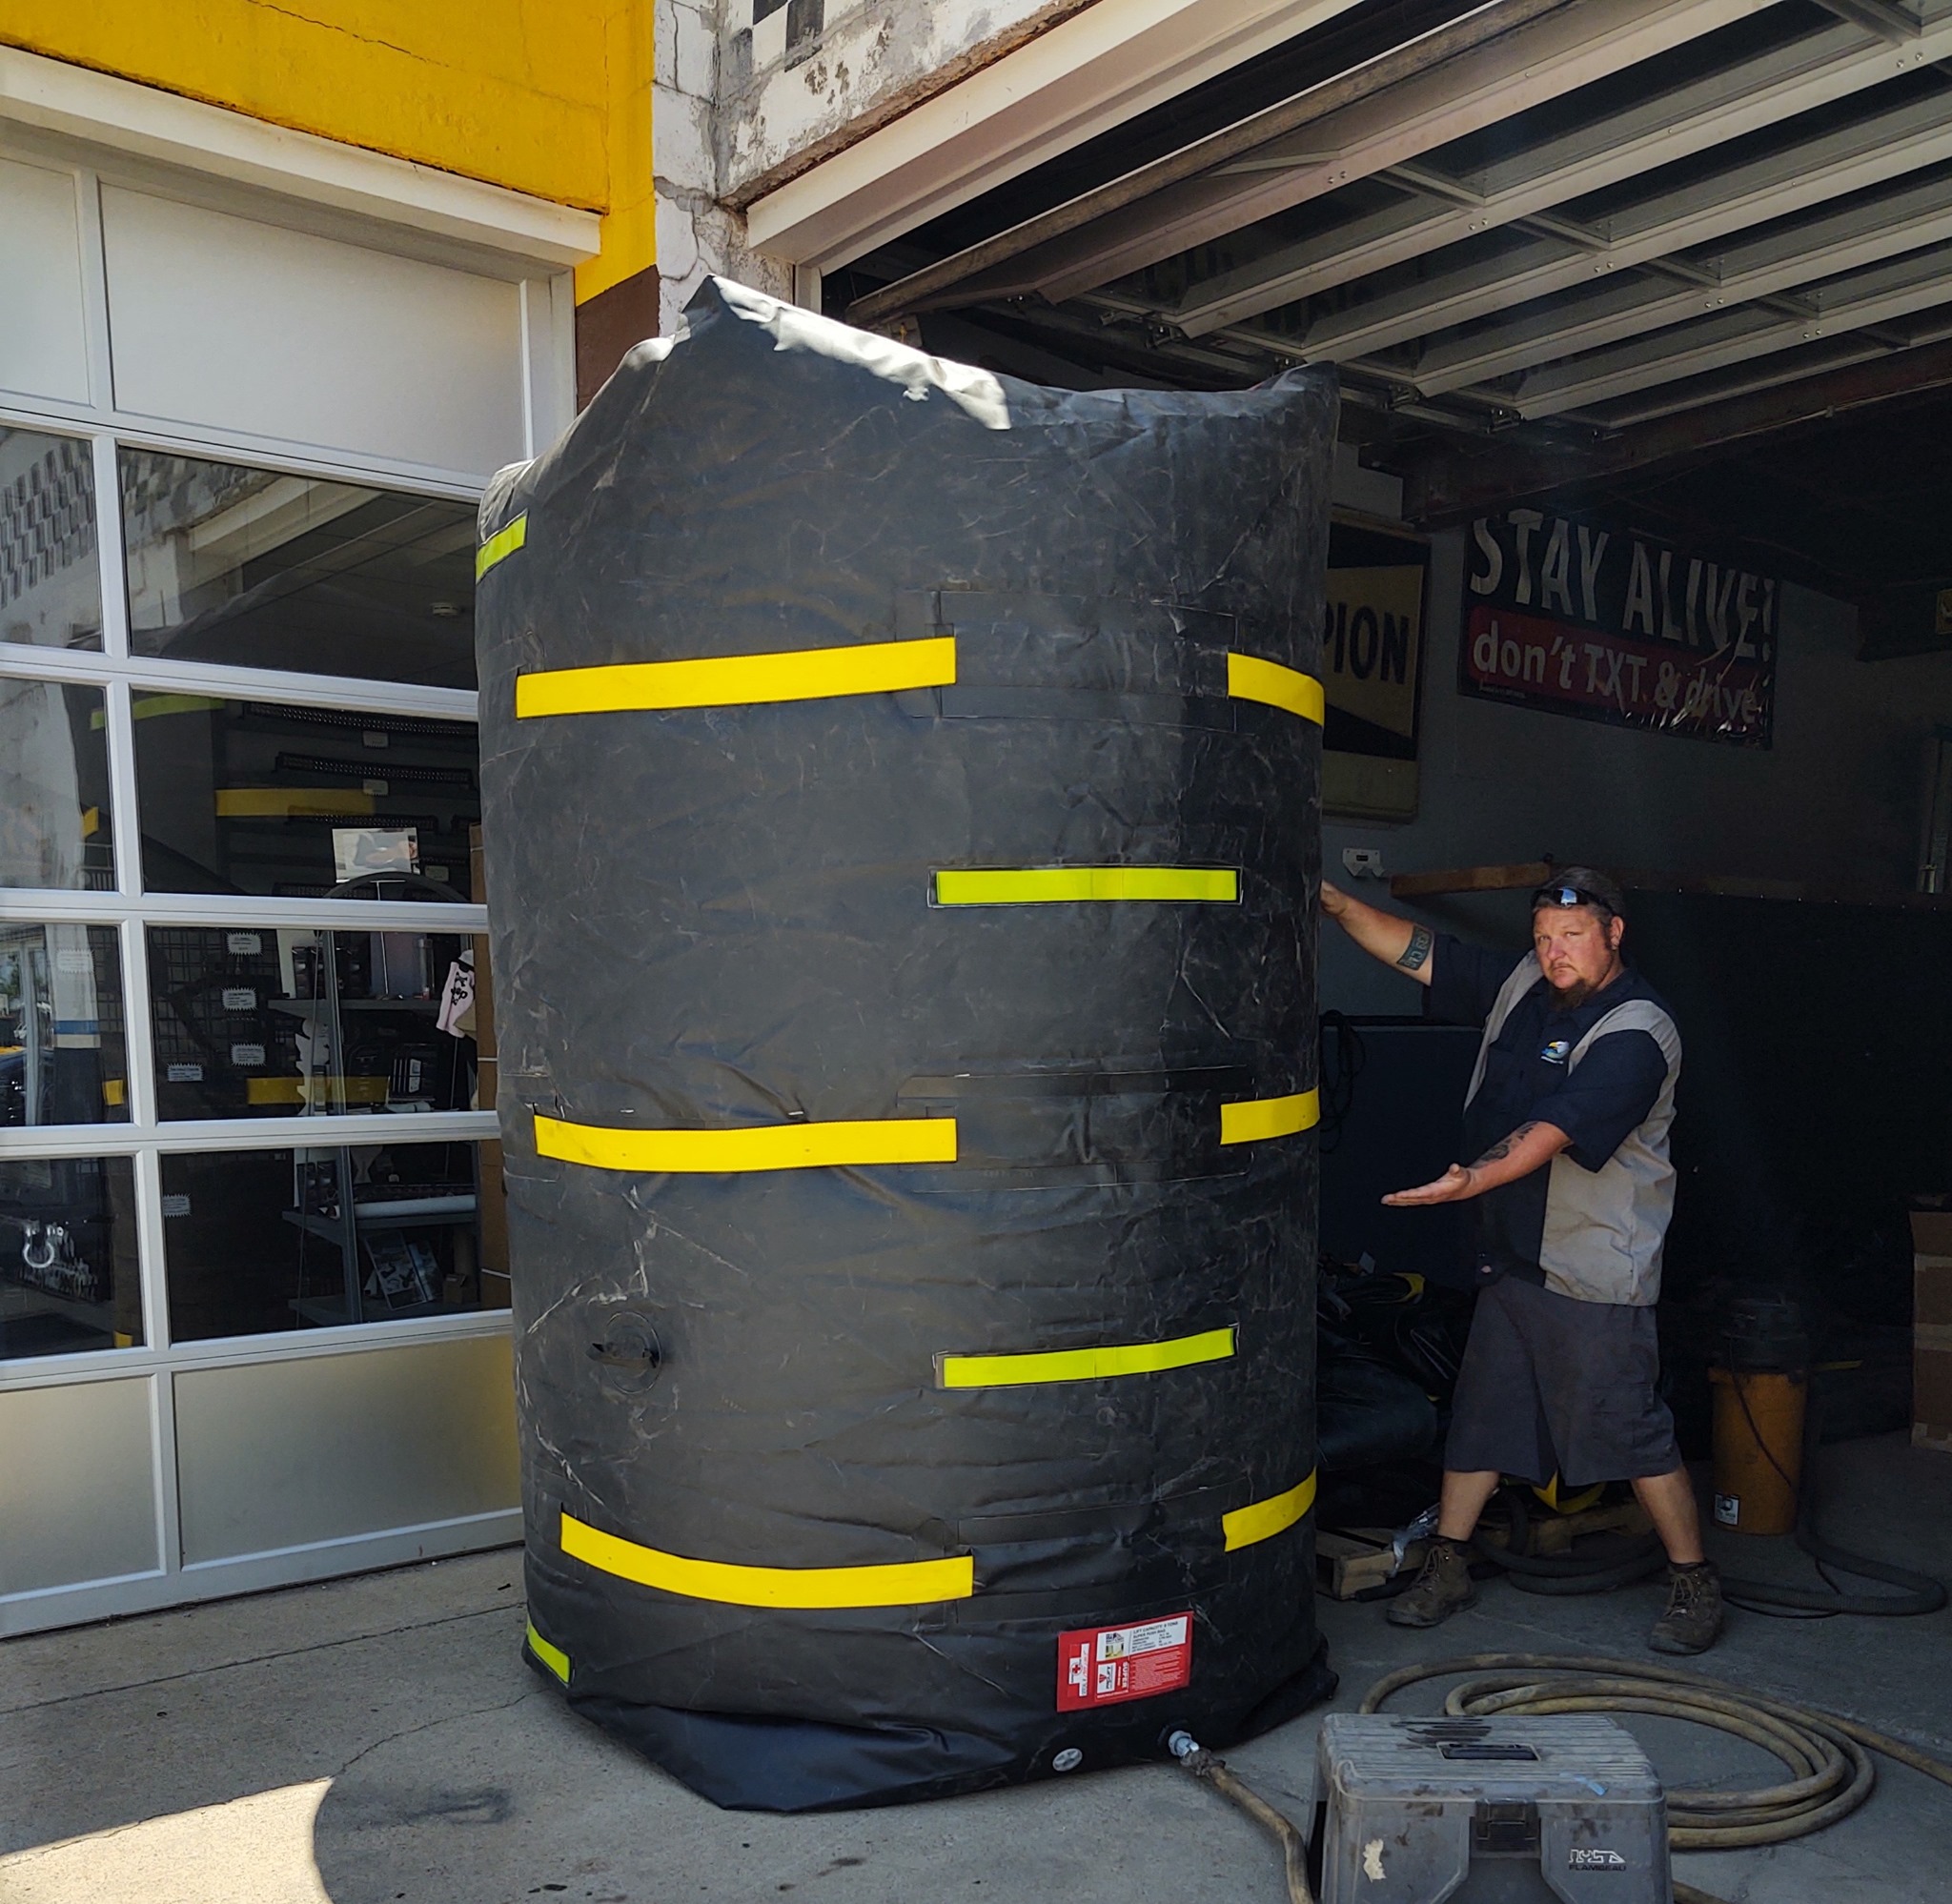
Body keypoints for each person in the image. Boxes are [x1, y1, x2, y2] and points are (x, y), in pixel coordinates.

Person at [1320, 866, 1720, 1655]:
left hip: (1589, 1266)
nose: (1554, 950)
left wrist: (1472, 1179)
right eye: (1542, 936)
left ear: (1614, 934)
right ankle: (1449, 1564)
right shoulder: (1526, 983)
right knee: (1482, 1417)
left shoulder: (1638, 1029)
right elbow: (1418, 951)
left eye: (1572, 935)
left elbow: (1555, 1129)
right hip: (1509, 1258)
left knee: (1628, 1427)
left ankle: (1693, 1580)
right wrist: (1334, 903)